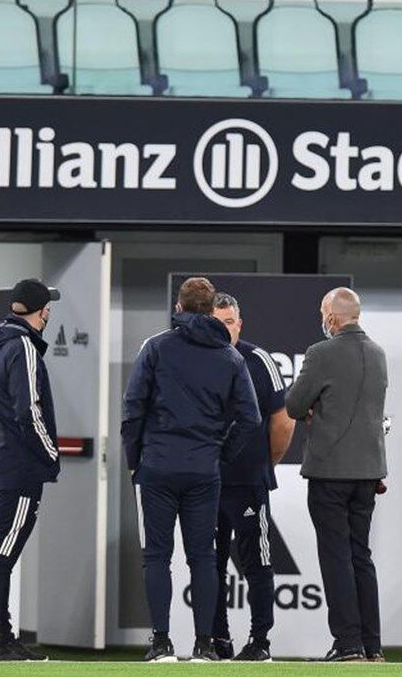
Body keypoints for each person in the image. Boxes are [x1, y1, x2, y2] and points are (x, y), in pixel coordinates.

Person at [123, 277, 261, 663]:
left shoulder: (156, 347)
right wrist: (220, 454)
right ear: (212, 310)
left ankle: (161, 643)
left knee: (156, 556)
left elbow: (133, 408)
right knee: (203, 557)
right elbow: (250, 419)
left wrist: (135, 460)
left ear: (179, 308)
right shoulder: (230, 356)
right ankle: (205, 644)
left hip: (157, 466)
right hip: (204, 469)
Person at [285, 287, 389, 663]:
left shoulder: (320, 353)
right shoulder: (378, 354)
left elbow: (294, 405)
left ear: (331, 317)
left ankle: (347, 644)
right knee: (361, 555)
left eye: (322, 313)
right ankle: (372, 645)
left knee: (336, 557)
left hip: (331, 471)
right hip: (368, 472)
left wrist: (315, 407)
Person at [0, 278, 61, 661]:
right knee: (3, 552)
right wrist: (50, 454)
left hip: (1, 463)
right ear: (43, 311)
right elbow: (28, 410)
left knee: (2, 548)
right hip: (20, 466)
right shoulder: (22, 347)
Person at [210, 292, 295, 662]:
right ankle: (217, 640)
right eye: (218, 323)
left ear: (240, 324)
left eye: (229, 322)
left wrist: (264, 465)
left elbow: (283, 422)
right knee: (209, 564)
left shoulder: (259, 360)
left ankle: (260, 642)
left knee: (257, 562)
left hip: (247, 481)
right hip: (205, 483)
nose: (224, 329)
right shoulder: (197, 359)